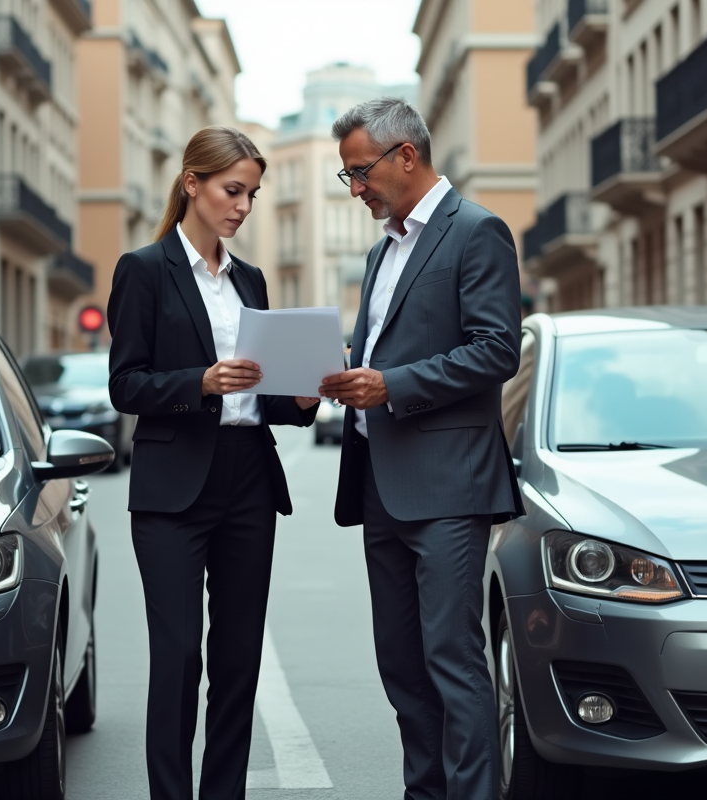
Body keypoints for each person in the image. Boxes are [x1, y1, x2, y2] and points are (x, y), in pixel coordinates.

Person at [319, 98, 523, 800]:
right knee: (402, 667)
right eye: (345, 176)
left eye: (360, 171)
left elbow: (498, 348)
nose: (355, 188)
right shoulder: (383, 251)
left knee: (453, 662)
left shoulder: (477, 231)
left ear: (406, 155)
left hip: (448, 487)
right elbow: (390, 346)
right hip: (380, 483)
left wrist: (392, 384)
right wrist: (346, 370)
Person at [107, 125, 319, 800]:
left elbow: (264, 396)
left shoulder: (250, 279)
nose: (243, 206)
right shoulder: (143, 270)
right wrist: (199, 382)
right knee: (177, 659)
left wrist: (304, 396)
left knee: (237, 662)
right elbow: (126, 384)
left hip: (249, 480)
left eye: (252, 194)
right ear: (192, 183)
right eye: (233, 190)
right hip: (172, 488)